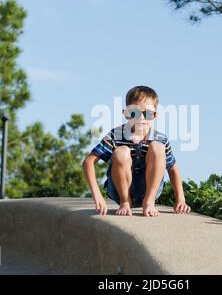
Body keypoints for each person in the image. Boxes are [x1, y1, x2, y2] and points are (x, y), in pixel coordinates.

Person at [82, 85, 191, 217]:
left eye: (148, 114)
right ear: (126, 114)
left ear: (155, 115)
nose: (141, 118)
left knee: (157, 147)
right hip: (119, 190)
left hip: (149, 189)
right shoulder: (116, 135)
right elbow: (88, 162)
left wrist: (180, 199)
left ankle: (149, 202)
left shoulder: (160, 138)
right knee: (121, 151)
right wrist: (97, 195)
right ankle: (125, 202)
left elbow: (173, 169)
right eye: (135, 113)